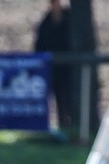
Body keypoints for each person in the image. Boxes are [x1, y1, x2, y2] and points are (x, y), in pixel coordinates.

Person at [33, 0, 73, 128]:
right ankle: (47, 126)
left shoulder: (69, 18)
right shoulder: (46, 21)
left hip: (68, 68)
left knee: (66, 99)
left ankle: (67, 126)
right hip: (50, 68)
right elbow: (39, 44)